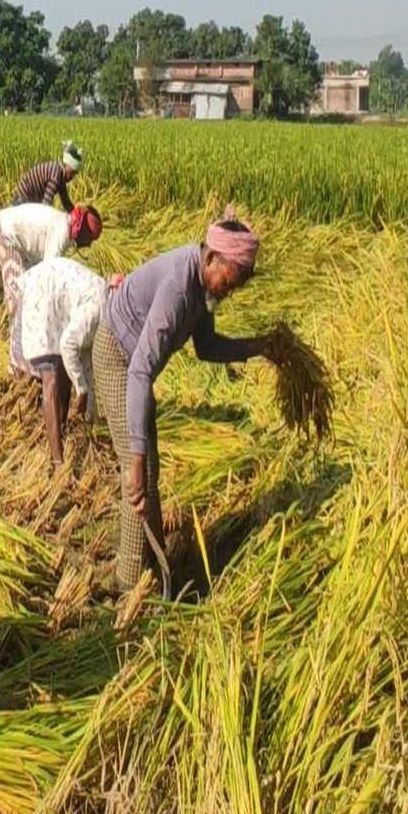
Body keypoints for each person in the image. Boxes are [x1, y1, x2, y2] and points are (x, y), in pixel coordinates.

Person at [93, 209, 271, 594]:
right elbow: (140, 369)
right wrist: (137, 460)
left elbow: (206, 348)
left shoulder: (204, 289)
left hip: (136, 366)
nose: (230, 291)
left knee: (148, 470)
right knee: (137, 473)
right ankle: (128, 584)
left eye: (237, 286)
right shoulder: (178, 287)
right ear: (211, 259)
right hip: (116, 354)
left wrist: (260, 348)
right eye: (230, 280)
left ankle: (155, 568)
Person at [16, 257, 112, 467]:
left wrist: (93, 415)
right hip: (42, 295)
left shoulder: (102, 308)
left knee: (67, 371)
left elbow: (85, 362)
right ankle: (57, 460)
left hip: (56, 300)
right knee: (50, 380)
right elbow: (68, 345)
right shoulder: (98, 307)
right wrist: (82, 390)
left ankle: (64, 432)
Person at [0, 202, 102, 377]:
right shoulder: (62, 233)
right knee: (18, 300)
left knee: (26, 299)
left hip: (21, 245)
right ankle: (17, 365)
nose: (89, 244)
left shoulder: (63, 228)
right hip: (9, 237)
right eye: (90, 237)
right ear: (80, 228)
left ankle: (25, 359)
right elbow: (46, 277)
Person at [10, 141, 83, 210]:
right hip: (23, 199)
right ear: (66, 165)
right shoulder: (56, 175)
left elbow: (65, 201)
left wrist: (75, 214)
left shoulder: (61, 176)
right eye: (71, 172)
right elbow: (46, 204)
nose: (72, 177)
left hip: (30, 199)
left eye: (74, 174)